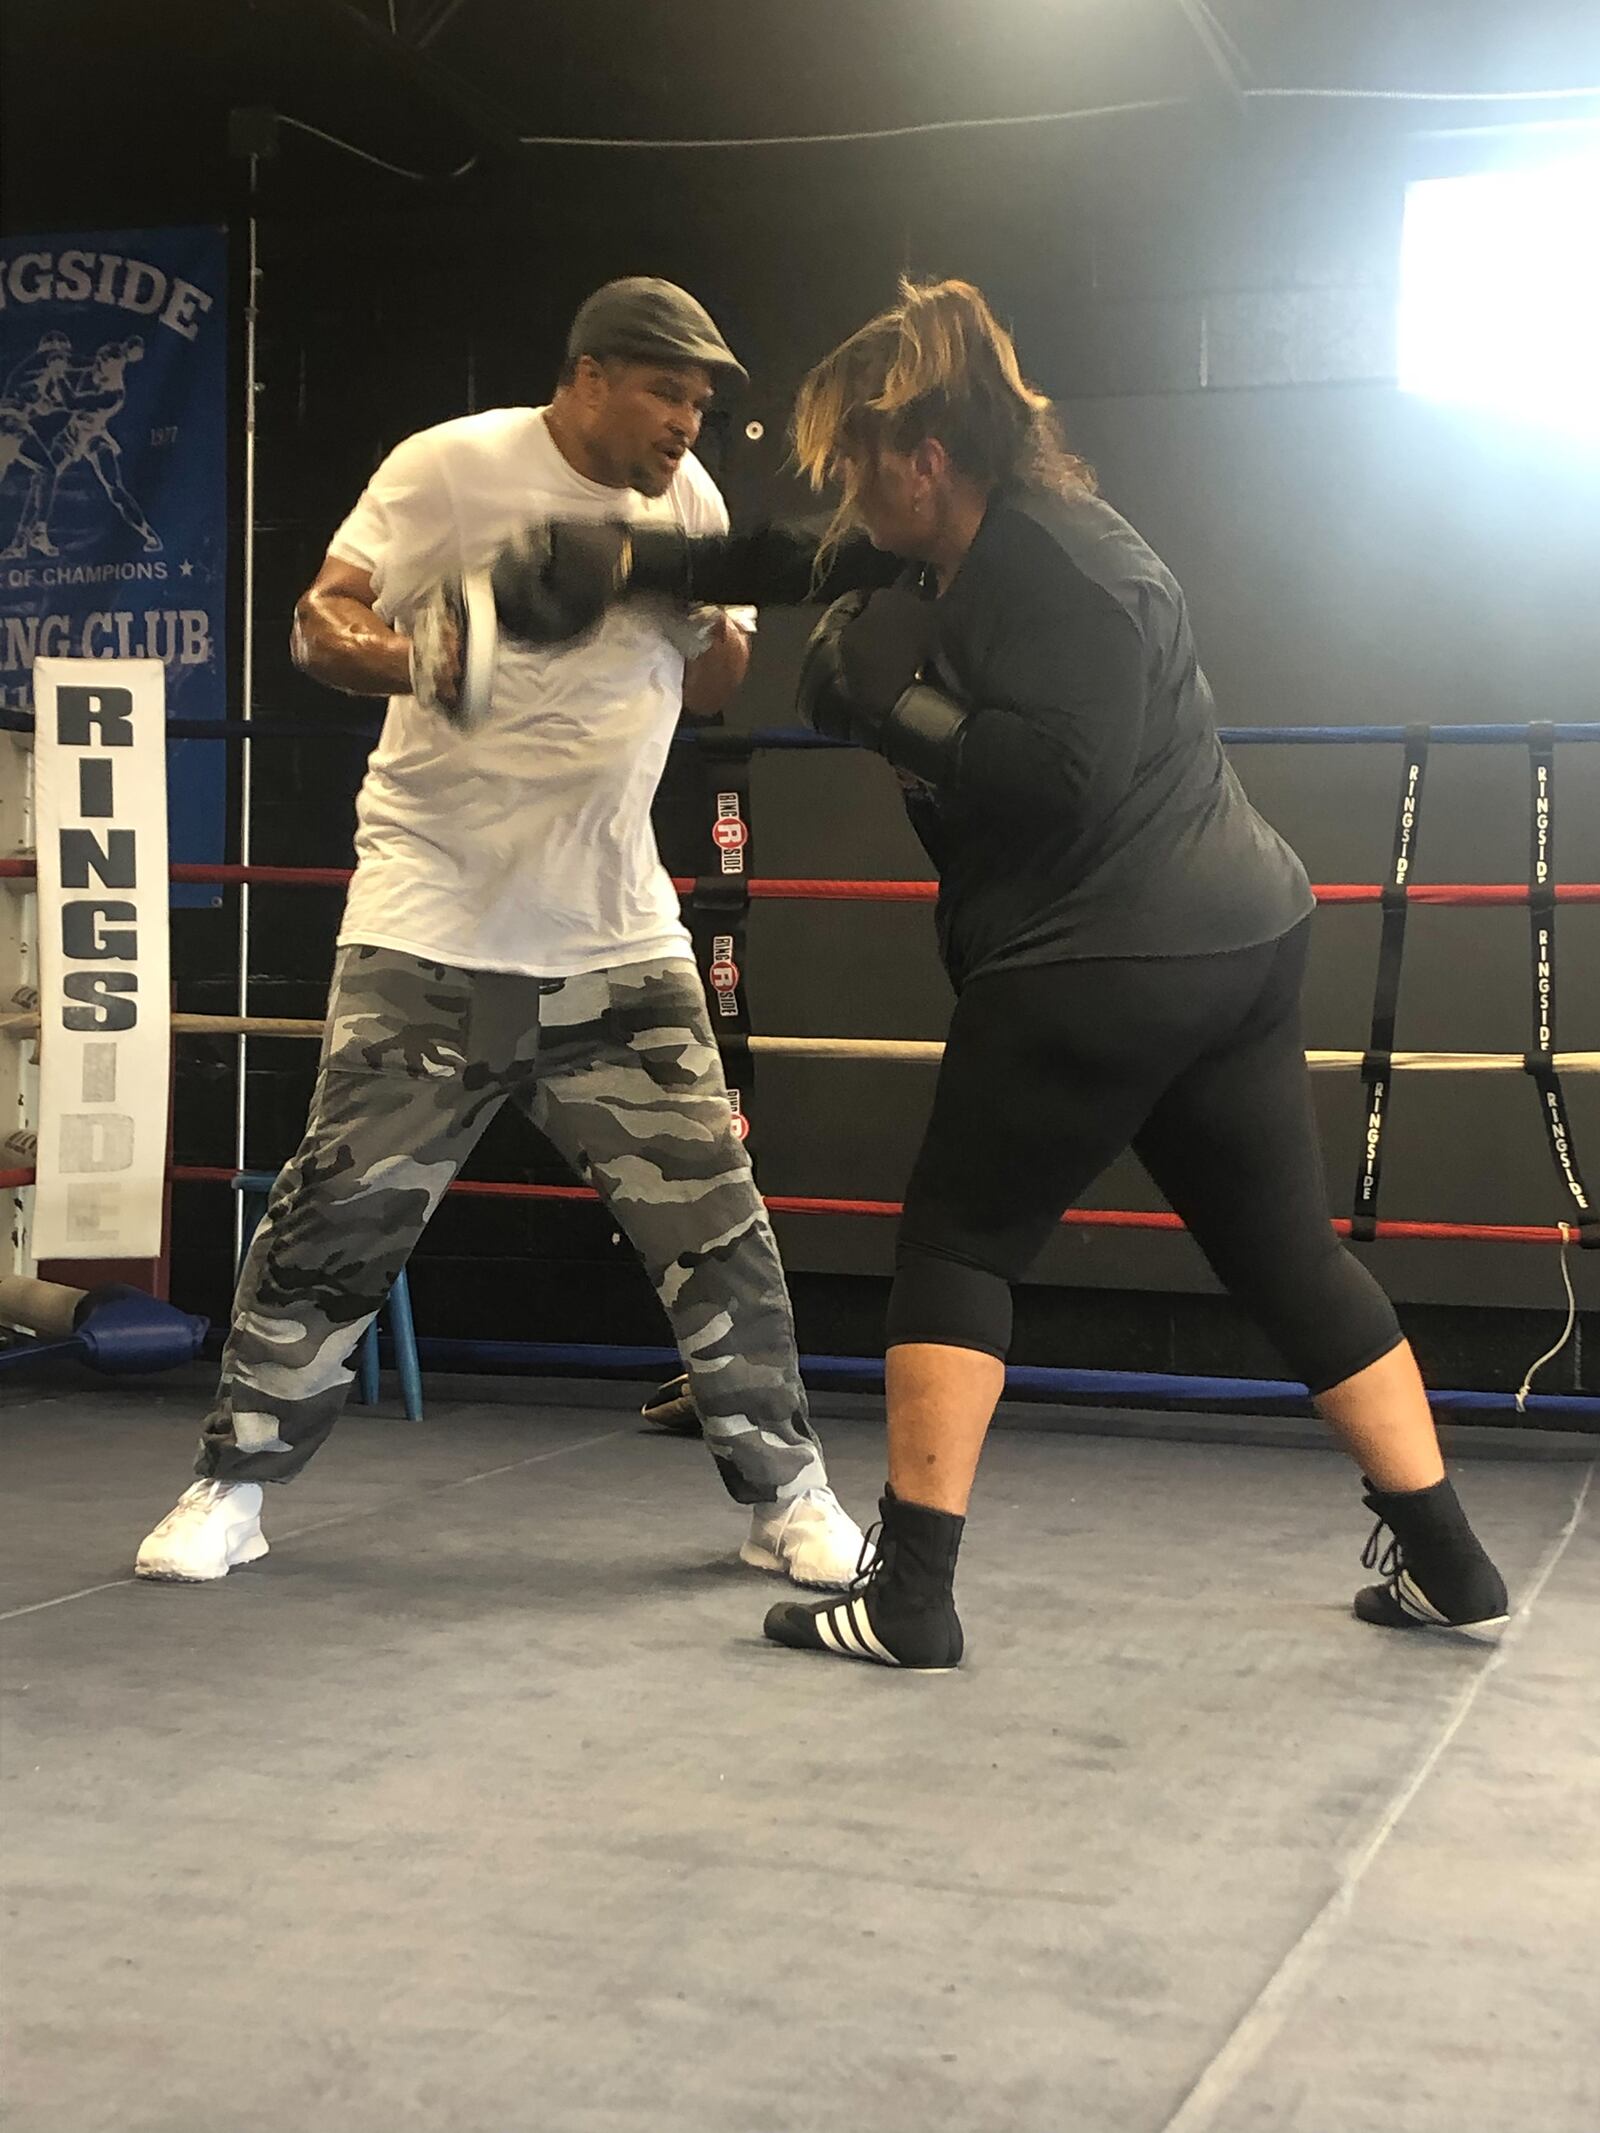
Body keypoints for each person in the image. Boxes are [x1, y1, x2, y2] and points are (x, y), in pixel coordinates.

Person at [480, 277, 1510, 1671]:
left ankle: (910, 1598)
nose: (846, 486)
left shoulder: (1068, 574)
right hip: (1230, 942)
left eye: (858, 458)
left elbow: (1052, 780)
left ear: (926, 458)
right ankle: (1450, 1558)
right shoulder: (947, 534)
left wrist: (883, 706)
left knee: (957, 1248)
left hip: (1106, 953)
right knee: (1286, 1259)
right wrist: (631, 566)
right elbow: (798, 559)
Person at [134, 277, 868, 1591]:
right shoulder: (452, 467)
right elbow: (319, 620)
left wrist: (675, 595)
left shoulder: (686, 503)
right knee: (334, 1220)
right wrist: (433, 657)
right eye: (666, 391)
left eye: (702, 401)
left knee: (718, 1225)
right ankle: (232, 1485)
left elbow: (715, 685)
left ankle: (788, 1493)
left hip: (616, 931)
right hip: (435, 923)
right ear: (589, 376)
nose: (688, 422)